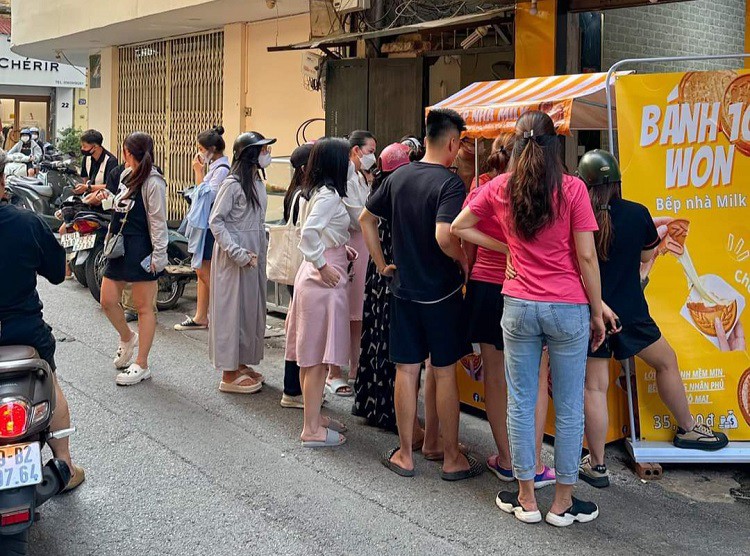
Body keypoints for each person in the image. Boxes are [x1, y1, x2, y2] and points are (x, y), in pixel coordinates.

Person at [451, 110, 608, 526]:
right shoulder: (573, 188)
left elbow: (459, 226)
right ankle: (562, 503)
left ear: (517, 146)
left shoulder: (500, 186)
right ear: (556, 145)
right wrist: (597, 310)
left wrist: (507, 249)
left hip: (518, 303)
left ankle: (526, 498)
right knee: (569, 405)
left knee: (520, 402)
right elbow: (587, 257)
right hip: (567, 306)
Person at [577, 149, 729, 489]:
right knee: (666, 362)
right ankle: (689, 429)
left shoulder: (579, 218)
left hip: (592, 314)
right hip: (632, 313)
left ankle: (597, 464)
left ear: (584, 184)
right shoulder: (637, 214)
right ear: (618, 182)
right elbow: (647, 253)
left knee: (595, 387)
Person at [360, 108, 482, 480]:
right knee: (443, 373)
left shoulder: (399, 176)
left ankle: (405, 455)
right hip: (442, 293)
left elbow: (366, 219)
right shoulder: (450, 184)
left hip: (403, 290)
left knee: (406, 370)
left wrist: (382, 263)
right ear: (452, 143)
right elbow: (445, 236)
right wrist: (462, 259)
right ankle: (451, 458)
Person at [460, 134, 555, 487]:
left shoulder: (484, 187)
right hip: (529, 287)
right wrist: (510, 250)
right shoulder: (542, 189)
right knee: (534, 379)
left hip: (485, 288)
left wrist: (494, 254)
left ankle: (506, 459)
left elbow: (462, 233)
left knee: (495, 377)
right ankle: (533, 463)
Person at [0, 149, 85, 491]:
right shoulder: (27, 223)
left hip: (24, 331)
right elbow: (57, 273)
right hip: (25, 332)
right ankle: (65, 464)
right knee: (48, 380)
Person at [285, 137, 352, 448]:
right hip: (321, 280)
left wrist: (339, 248)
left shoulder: (317, 192)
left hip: (314, 274)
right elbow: (309, 234)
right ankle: (311, 428)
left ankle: (313, 418)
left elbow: (317, 233)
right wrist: (324, 265)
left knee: (310, 355)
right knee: (316, 359)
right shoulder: (329, 196)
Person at [99, 132, 168, 386]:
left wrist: (159, 255)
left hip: (142, 247)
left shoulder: (153, 181)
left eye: (124, 150)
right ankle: (128, 337)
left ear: (129, 152)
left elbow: (158, 221)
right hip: (119, 246)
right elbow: (120, 209)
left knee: (143, 307)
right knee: (107, 300)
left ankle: (142, 363)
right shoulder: (125, 175)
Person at [352, 142, 412, 431]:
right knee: (390, 343)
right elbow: (365, 221)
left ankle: (372, 403)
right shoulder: (396, 191)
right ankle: (389, 409)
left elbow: (367, 222)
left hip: (378, 275)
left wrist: (377, 264)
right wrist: (382, 263)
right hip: (390, 272)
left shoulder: (379, 188)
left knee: (375, 336)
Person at [208, 131, 272, 393]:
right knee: (230, 312)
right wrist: (236, 251)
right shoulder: (232, 184)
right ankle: (228, 373)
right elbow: (216, 221)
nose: (267, 154)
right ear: (250, 154)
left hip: (254, 254)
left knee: (249, 310)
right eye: (263, 150)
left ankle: (241, 362)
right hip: (233, 255)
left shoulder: (256, 182)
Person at [327, 130, 377, 397]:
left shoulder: (360, 177)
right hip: (349, 247)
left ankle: (355, 365)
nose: (372, 157)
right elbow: (358, 217)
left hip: (362, 248)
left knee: (357, 312)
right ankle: (333, 369)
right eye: (370, 151)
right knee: (341, 310)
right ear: (355, 151)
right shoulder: (342, 181)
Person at [175, 126, 231, 331]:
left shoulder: (222, 170)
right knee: (201, 270)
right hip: (205, 224)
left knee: (204, 270)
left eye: (200, 149)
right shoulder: (216, 168)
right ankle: (201, 316)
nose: (198, 153)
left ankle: (226, 313)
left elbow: (206, 196)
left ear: (211, 149)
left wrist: (198, 172)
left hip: (209, 226)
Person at [280, 142, 314, 409]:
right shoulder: (304, 196)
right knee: (301, 333)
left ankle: (295, 388)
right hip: (302, 270)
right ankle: (294, 388)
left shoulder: (295, 192)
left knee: (296, 329)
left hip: (296, 272)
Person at [79, 129, 119, 199]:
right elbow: (84, 179)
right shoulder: (86, 158)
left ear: (95, 147)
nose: (82, 149)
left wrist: (88, 187)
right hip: (87, 194)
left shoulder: (111, 161)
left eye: (84, 146)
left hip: (103, 197)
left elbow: (110, 186)